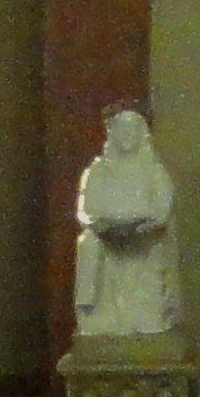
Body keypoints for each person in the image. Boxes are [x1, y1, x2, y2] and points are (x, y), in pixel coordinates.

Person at [72, 107, 181, 337]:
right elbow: (85, 210)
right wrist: (101, 226)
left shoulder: (154, 172)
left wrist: (145, 227)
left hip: (145, 237)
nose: (127, 135)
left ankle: (146, 316)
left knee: (157, 245)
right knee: (88, 244)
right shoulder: (98, 171)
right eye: (122, 130)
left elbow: (163, 209)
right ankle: (93, 314)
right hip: (106, 238)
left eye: (132, 129)